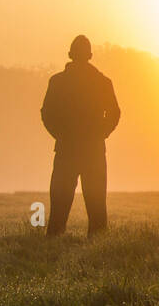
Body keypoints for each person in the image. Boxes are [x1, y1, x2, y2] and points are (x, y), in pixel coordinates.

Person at [41, 36, 120, 236]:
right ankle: (98, 243)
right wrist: (101, 133)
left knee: (60, 200)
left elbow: (47, 113)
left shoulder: (58, 82)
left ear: (70, 55)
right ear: (90, 56)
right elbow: (114, 113)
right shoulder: (103, 82)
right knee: (96, 203)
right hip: (93, 149)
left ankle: (54, 241)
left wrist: (60, 134)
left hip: (66, 149)